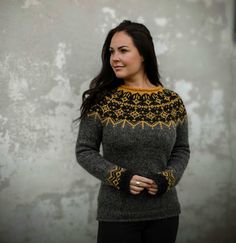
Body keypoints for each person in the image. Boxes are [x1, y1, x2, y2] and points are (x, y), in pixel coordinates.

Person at [75, 20, 190, 243]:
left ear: (144, 54)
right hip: (116, 216)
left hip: (164, 214)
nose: (114, 58)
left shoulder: (172, 101)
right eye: (111, 52)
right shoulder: (102, 100)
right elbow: (85, 150)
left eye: (123, 50)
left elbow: (181, 149)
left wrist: (168, 178)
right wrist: (121, 177)